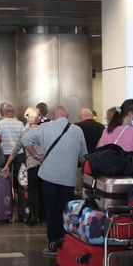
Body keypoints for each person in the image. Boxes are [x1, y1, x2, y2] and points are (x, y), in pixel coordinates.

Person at [21, 105, 87, 254]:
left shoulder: (45, 127)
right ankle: (65, 243)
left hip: (48, 176)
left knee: (51, 211)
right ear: (68, 115)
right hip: (68, 178)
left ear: (54, 115)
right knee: (65, 211)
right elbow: (84, 155)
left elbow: (25, 139)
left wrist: (35, 155)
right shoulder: (77, 130)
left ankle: (52, 244)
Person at [0, 102, 26, 191]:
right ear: (14, 112)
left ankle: (7, 196)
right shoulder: (20, 123)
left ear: (4, 112)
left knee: (6, 175)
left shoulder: (1, 123)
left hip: (6, 153)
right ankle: (21, 197)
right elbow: (23, 139)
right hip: (19, 153)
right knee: (20, 177)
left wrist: (2, 142)